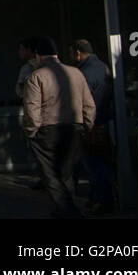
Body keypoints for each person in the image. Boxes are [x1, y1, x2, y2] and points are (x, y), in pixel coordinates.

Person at [23, 36, 95, 219]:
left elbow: (32, 109)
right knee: (67, 173)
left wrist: (32, 132)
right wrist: (87, 125)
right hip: (75, 128)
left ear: (38, 56)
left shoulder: (36, 76)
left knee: (51, 174)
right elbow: (89, 104)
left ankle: (68, 211)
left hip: (48, 130)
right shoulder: (76, 73)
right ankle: (65, 208)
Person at [72, 39, 116, 214]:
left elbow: (82, 100)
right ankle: (96, 197)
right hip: (102, 121)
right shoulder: (103, 67)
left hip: (91, 124)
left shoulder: (85, 72)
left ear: (78, 53)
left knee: (94, 164)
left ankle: (103, 200)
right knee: (100, 162)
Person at [15, 38, 47, 190]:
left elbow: (21, 91)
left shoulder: (30, 69)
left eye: (22, 49)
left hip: (38, 114)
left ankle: (47, 179)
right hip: (42, 114)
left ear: (30, 50)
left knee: (41, 150)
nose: (19, 52)